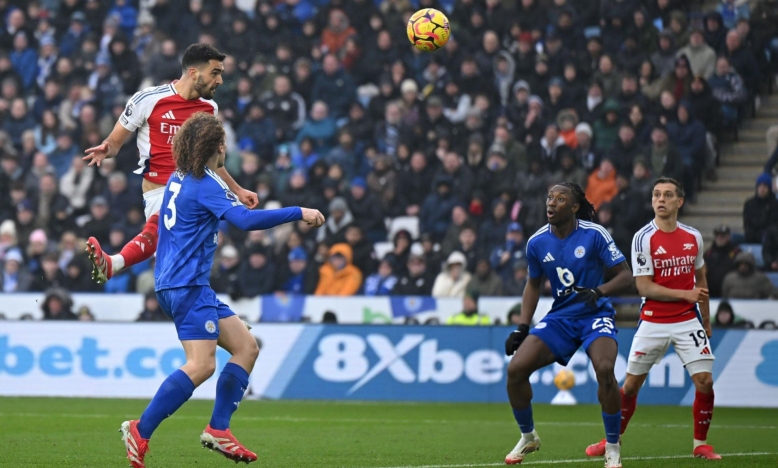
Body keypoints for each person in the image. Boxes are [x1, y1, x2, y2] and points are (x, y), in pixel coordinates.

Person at [119, 112, 324, 468]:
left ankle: (219, 429)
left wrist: (237, 190)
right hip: (185, 284)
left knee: (246, 346)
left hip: (184, 282)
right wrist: (297, 211)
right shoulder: (205, 183)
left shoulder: (181, 177)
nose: (226, 146)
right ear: (215, 146)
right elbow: (244, 222)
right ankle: (140, 429)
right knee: (201, 365)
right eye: (223, 141)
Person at [84, 43, 258, 285]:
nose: (219, 81)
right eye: (215, 73)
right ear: (194, 73)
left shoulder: (210, 109)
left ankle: (222, 320)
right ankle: (114, 264)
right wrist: (107, 148)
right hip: (159, 189)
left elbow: (215, 164)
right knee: (166, 232)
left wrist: (238, 190)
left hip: (196, 188)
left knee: (190, 270)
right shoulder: (148, 99)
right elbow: (114, 142)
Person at [584, 177, 721, 461]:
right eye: (656, 195)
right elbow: (644, 287)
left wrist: (705, 319)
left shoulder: (693, 236)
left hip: (687, 321)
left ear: (679, 202)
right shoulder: (643, 237)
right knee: (631, 385)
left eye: (667, 195)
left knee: (705, 381)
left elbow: (701, 277)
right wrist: (685, 295)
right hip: (653, 320)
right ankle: (612, 441)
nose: (660, 200)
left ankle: (700, 444)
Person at [504, 182, 633, 467]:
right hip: (561, 317)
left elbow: (626, 277)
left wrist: (598, 292)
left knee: (604, 369)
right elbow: (533, 284)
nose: (551, 203)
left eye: (560, 199)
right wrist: (522, 327)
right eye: (549, 197)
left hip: (595, 314)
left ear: (574, 207)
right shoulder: (537, 242)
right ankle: (528, 436)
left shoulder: (594, 234)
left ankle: (612, 446)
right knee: (515, 370)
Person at [703, 225, 741, 297]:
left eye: (723, 235)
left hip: (731, 291)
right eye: (717, 235)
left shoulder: (736, 252)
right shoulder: (708, 254)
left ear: (729, 237)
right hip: (711, 293)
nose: (720, 238)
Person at [743, 173, 778, 243]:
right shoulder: (749, 204)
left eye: (765, 186)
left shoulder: (774, 204)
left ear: (769, 188)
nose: (762, 189)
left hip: (767, 236)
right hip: (751, 235)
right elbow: (746, 223)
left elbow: (774, 224)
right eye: (760, 186)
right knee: (731, 237)